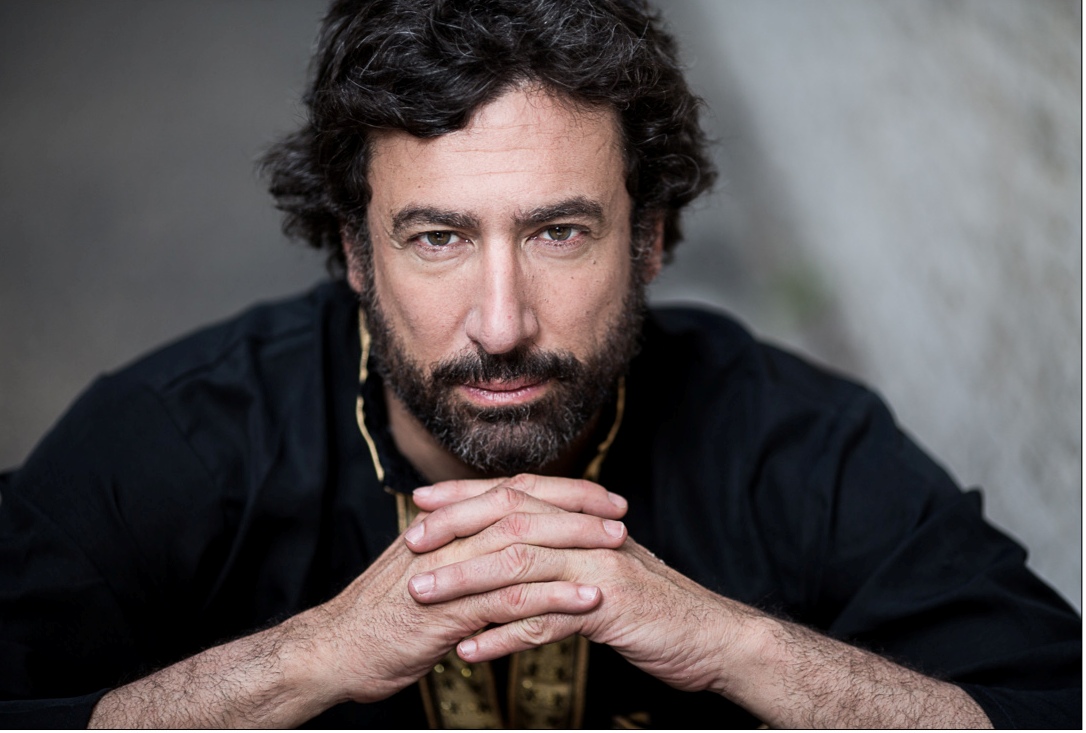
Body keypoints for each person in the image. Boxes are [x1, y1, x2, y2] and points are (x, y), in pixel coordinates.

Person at [0, 0, 1078, 728]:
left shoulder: (794, 444)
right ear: (355, 251)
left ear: (651, 235)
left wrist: (739, 646)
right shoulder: (173, 442)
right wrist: (303, 660)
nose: (503, 322)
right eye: (438, 238)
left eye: (559, 232)